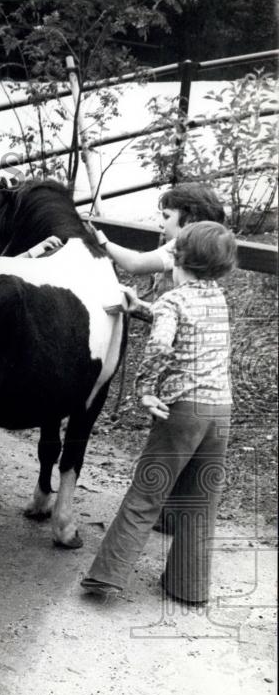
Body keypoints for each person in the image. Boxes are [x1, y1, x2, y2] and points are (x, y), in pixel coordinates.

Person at [81, 222, 237, 605]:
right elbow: (189, 328)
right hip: (220, 413)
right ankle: (188, 586)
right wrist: (143, 309)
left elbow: (161, 348)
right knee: (201, 501)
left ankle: (107, 575)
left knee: (147, 492)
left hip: (181, 413)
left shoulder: (174, 301)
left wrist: (145, 390)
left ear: (176, 258)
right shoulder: (217, 297)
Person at [93, 183, 226, 275]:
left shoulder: (183, 247)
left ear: (190, 221)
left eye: (167, 216)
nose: (161, 224)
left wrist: (104, 243)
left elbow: (135, 264)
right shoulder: (211, 245)